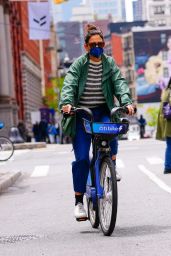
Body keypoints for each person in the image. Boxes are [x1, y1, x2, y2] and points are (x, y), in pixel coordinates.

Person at [59, 24, 134, 220]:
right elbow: (69, 84)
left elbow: (120, 83)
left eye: (101, 43)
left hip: (102, 110)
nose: (98, 47)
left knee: (112, 130)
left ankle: (110, 164)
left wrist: (126, 102)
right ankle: (78, 203)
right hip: (81, 113)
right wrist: (67, 103)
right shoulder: (78, 65)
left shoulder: (109, 63)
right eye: (94, 44)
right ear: (86, 47)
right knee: (82, 158)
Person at [156, 78, 171, 174]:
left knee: (169, 145)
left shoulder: (166, 90)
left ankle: (167, 166)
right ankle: (168, 166)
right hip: (169, 123)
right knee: (170, 145)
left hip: (166, 122)